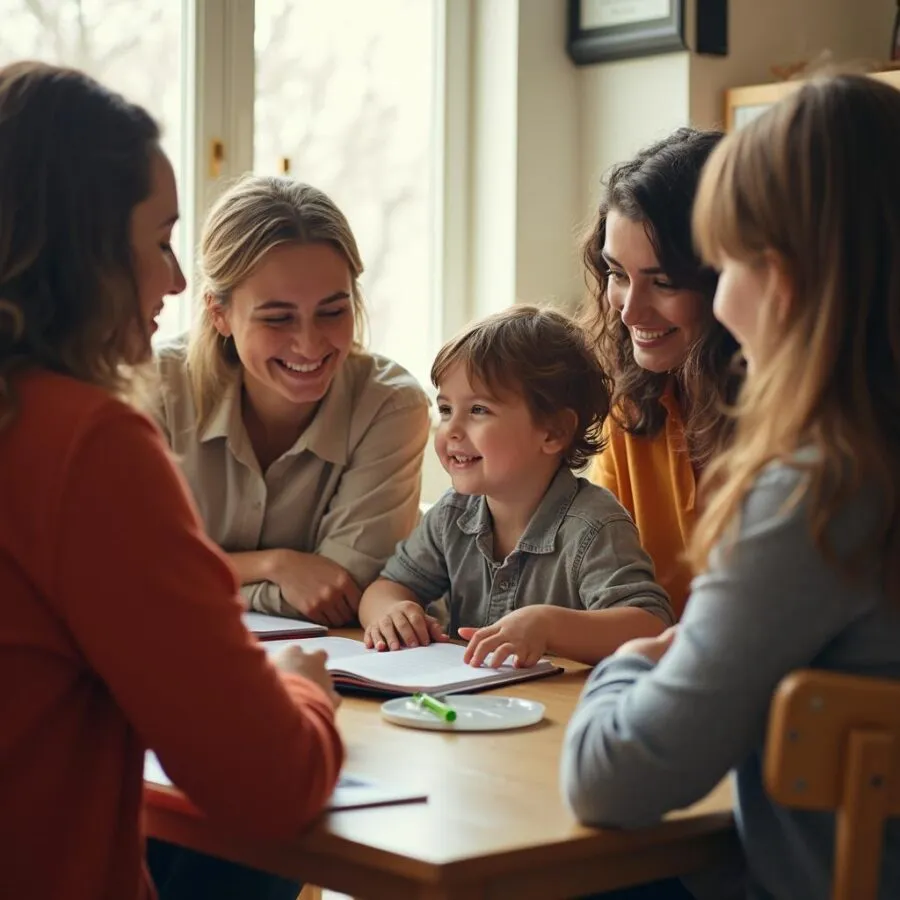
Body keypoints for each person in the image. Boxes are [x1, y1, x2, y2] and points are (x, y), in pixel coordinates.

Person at [0, 61, 343, 900]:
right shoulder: (85, 446)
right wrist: (306, 694)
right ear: (85, 252)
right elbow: (267, 781)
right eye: (159, 242)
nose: (178, 283)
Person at [561, 74, 900, 900]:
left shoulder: (813, 492)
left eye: (727, 263)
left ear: (778, 280)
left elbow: (610, 778)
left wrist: (636, 660)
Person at [154, 175, 430, 625]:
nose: (309, 343)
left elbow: (341, 590)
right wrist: (274, 566)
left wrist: (190, 579)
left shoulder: (391, 406)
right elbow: (120, 567)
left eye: (332, 311)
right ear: (219, 313)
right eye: (278, 318)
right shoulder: (154, 388)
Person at [358, 305, 673, 667]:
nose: (451, 430)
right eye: (445, 410)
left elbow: (650, 627)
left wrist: (548, 626)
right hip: (471, 708)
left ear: (553, 432)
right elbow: (385, 588)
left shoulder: (595, 525)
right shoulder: (451, 514)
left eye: (478, 410)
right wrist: (393, 612)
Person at [582, 127, 740, 616]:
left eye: (665, 282)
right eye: (617, 274)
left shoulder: (798, 421)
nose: (629, 311)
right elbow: (598, 582)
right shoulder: (629, 407)